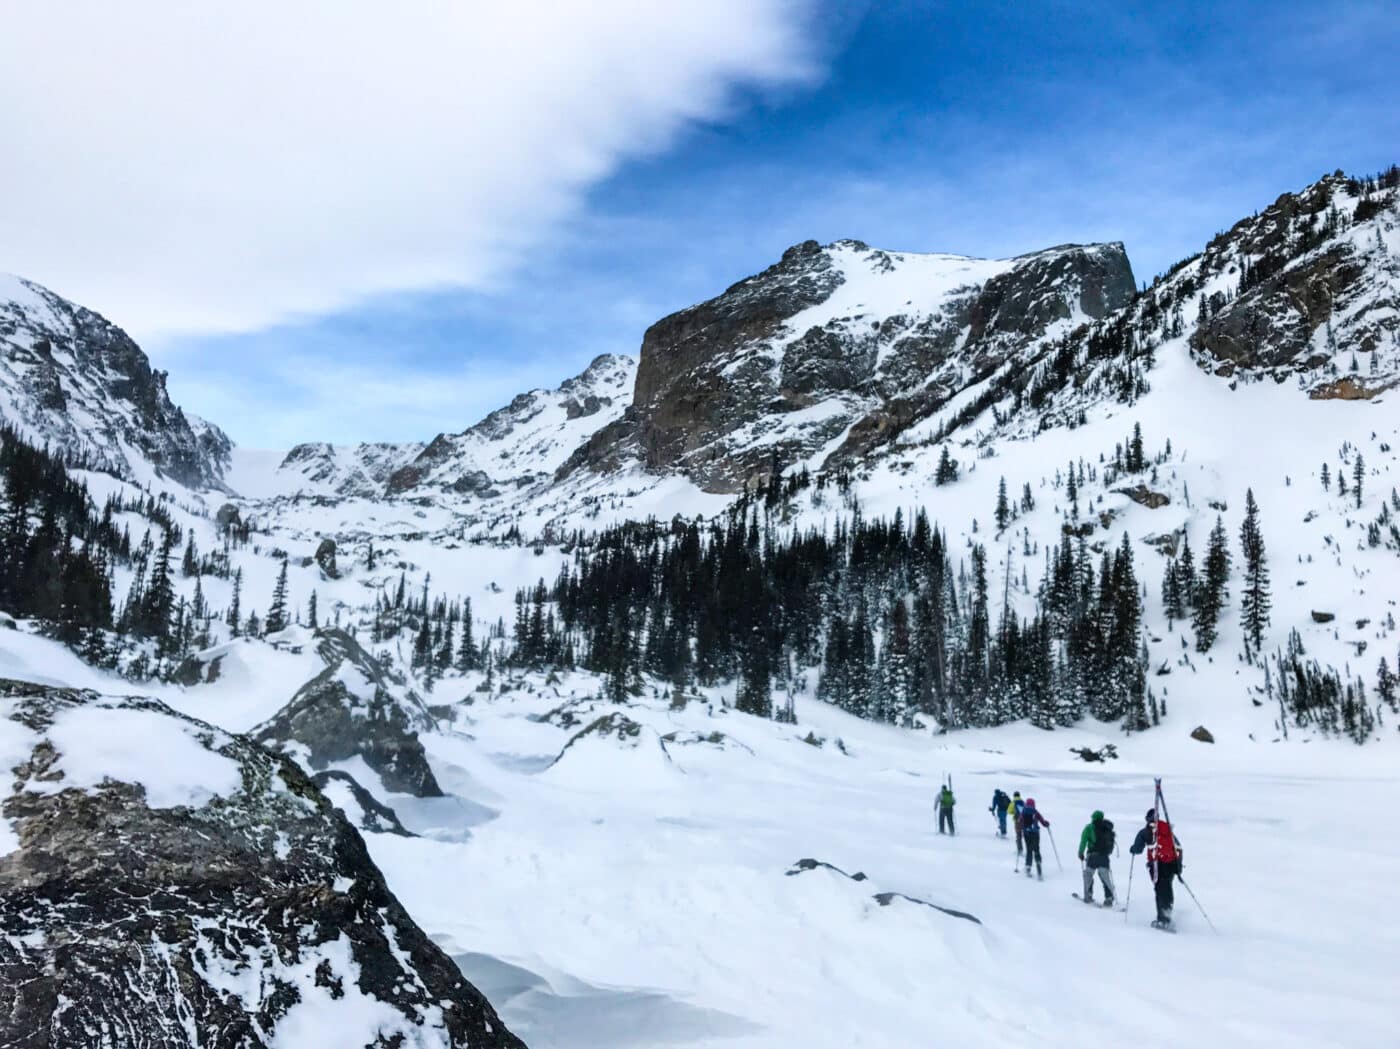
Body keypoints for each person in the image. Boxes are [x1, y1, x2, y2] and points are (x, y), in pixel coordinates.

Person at [1130, 808, 1183, 927]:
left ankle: (1162, 919)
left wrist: (1133, 849)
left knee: (1159, 890)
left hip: (1157, 865)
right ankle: (1167, 913)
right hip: (1171, 864)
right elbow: (1178, 847)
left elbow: (1138, 849)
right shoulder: (1168, 829)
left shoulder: (1146, 831)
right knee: (1167, 888)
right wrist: (1178, 868)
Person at [1076, 810, 1116, 906]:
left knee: (1088, 874)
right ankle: (1109, 897)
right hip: (1104, 856)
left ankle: (1088, 895)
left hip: (1092, 856)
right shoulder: (1107, 828)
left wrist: (1080, 853)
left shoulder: (1089, 828)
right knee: (1105, 877)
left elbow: (1083, 841)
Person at [1020, 798, 1049, 878]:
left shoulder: (1023, 812)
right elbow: (1043, 822)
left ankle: (1028, 867)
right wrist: (1046, 824)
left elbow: (1020, 822)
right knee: (1036, 849)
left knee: (1029, 850)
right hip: (1035, 833)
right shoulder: (1035, 812)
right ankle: (1038, 865)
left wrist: (1020, 831)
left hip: (1027, 833)